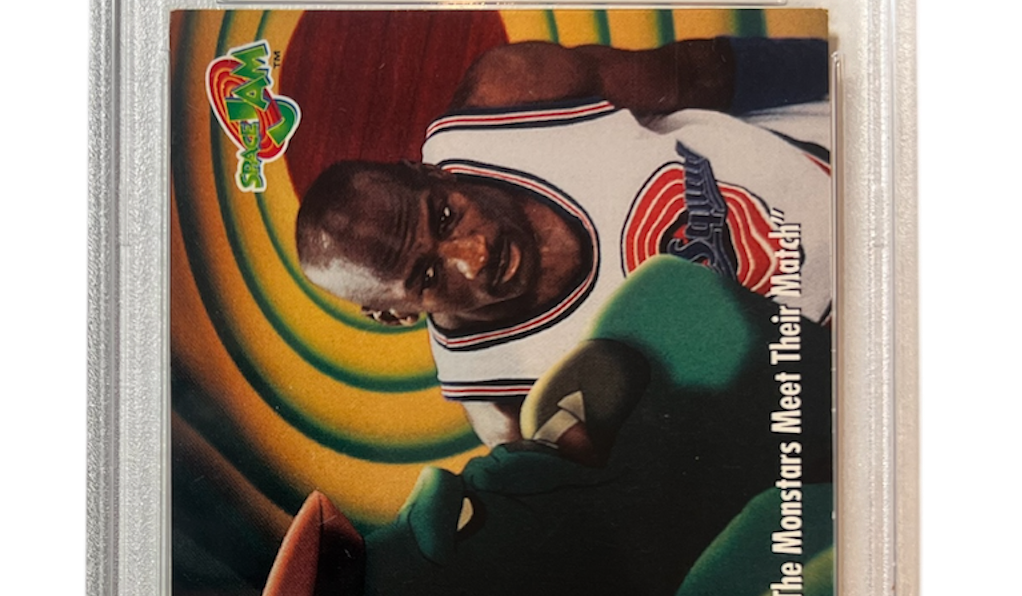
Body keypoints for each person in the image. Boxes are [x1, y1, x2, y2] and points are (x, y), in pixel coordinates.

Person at [296, 33, 834, 444]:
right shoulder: (513, 408)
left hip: (845, 155)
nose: (475, 255)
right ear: (395, 315)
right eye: (430, 276)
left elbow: (701, 74)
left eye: (444, 217)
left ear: (432, 171)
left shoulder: (511, 96)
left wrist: (860, 63)